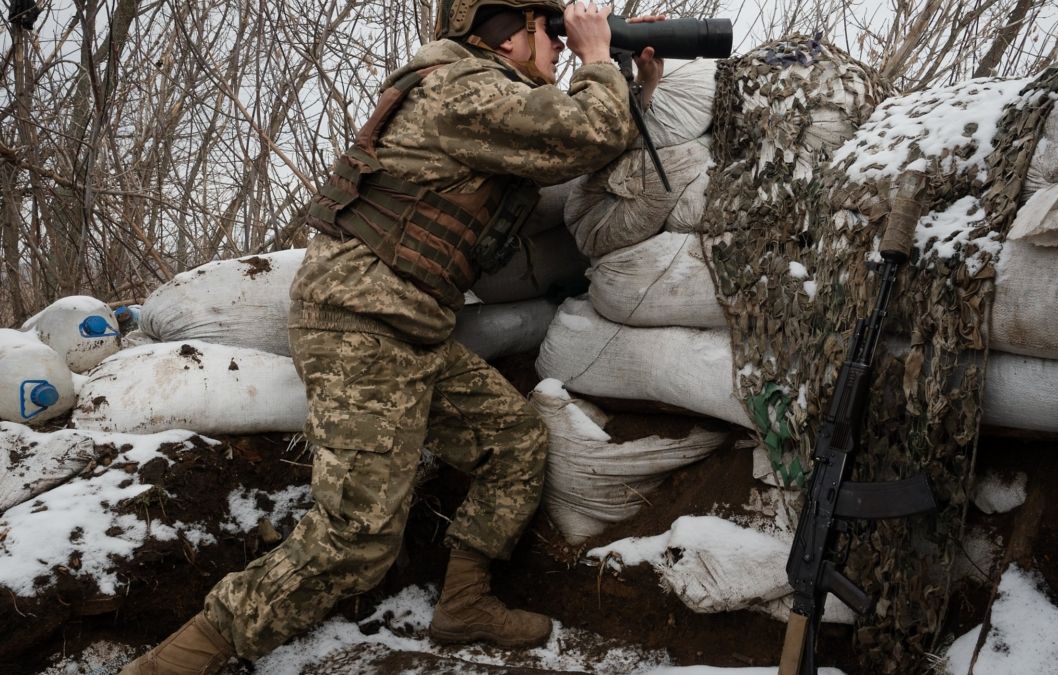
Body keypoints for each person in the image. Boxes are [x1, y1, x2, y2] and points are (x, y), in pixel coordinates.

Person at [120, 0, 662, 673]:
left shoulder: (481, 96)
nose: (556, 44)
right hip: (361, 324)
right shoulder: (461, 90)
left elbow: (578, 138)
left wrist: (636, 84)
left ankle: (464, 603)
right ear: (505, 35)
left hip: (409, 328)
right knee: (355, 538)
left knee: (514, 443)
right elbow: (586, 132)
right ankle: (169, 663)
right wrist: (600, 58)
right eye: (544, 30)